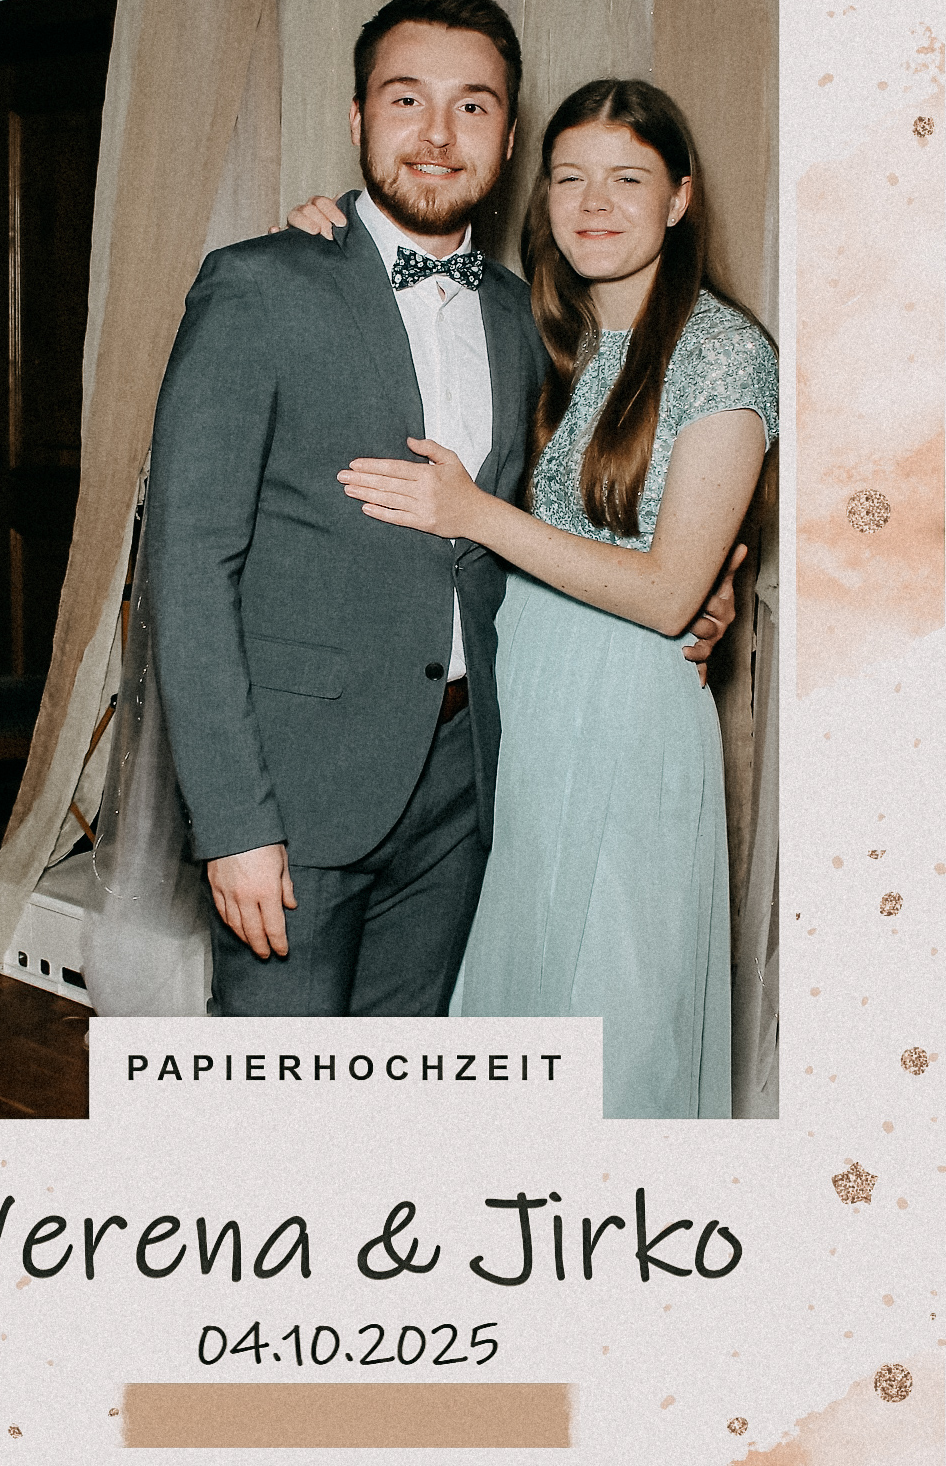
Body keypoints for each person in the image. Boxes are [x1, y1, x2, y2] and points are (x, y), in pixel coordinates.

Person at [146, 0, 737, 1019]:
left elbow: (583, 502)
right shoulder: (260, 286)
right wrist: (234, 821)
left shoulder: (523, 318)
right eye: (406, 99)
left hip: (469, 790)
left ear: (506, 141)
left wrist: (716, 574)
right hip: (297, 796)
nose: (436, 134)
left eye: (472, 106)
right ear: (357, 119)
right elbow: (187, 565)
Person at [332, 77, 778, 1115]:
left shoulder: (726, 353)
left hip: (627, 723)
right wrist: (325, 226)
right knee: (509, 1011)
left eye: (628, 179)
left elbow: (669, 594)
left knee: (615, 1029)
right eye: (570, 178)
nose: (594, 203)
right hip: (514, 705)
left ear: (680, 197)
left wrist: (475, 514)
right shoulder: (537, 330)